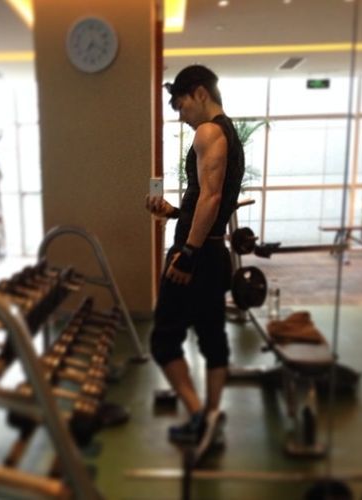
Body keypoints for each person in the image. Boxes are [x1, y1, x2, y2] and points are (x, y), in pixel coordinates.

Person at [146, 65, 245, 446]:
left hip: (196, 254)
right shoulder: (227, 131)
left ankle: (200, 417)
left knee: (164, 341)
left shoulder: (208, 131)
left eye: (182, 105)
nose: (181, 115)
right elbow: (206, 198)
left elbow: (212, 197)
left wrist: (187, 254)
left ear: (200, 93)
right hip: (213, 248)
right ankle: (211, 419)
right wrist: (173, 211)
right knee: (212, 337)